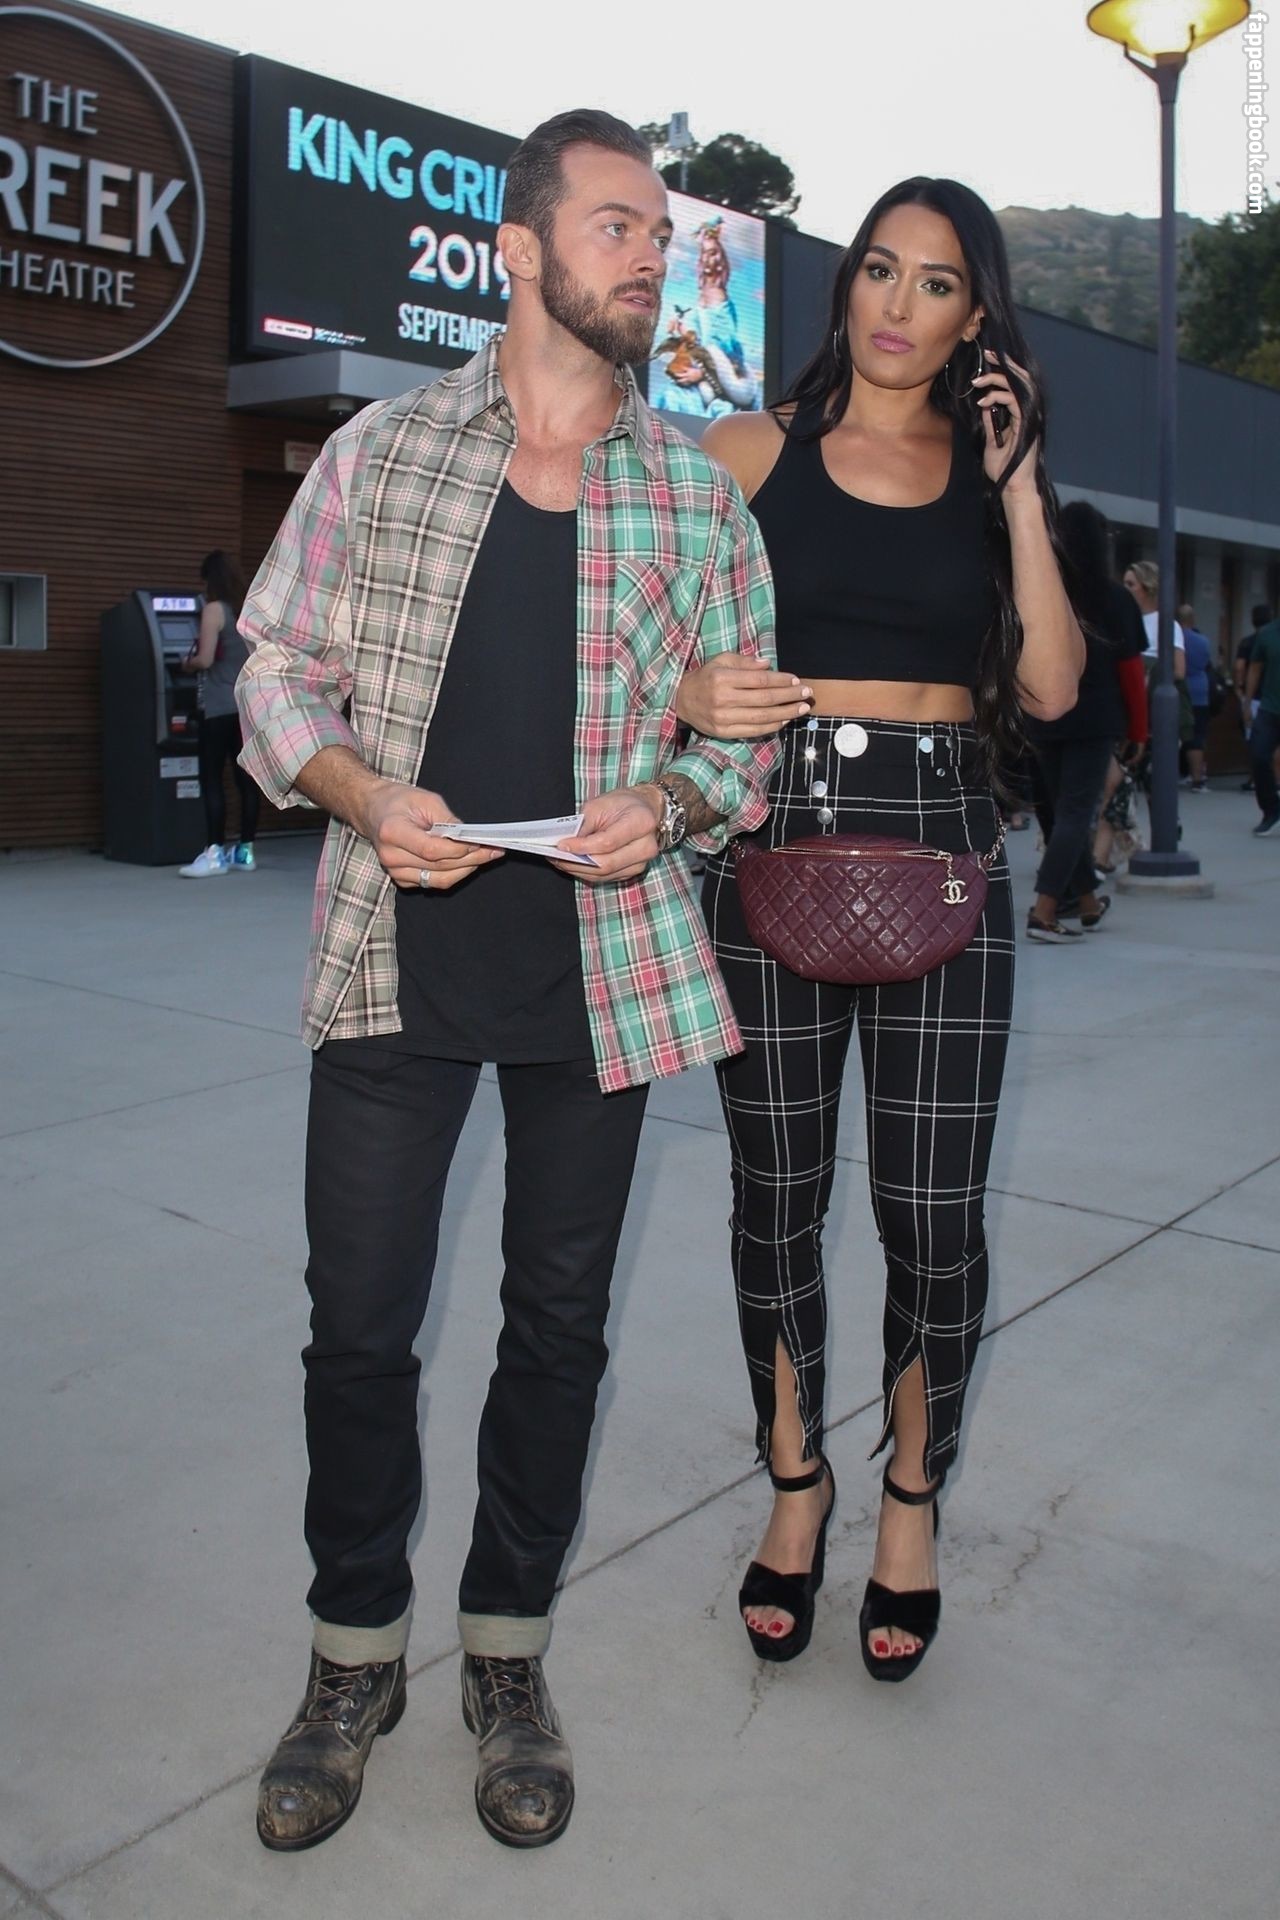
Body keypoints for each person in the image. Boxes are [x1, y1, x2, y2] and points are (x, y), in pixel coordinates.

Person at [235, 110, 778, 1853]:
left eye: (662, 234)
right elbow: (273, 674)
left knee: (556, 1337)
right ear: (521, 249)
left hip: (599, 981)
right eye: (618, 225)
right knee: (358, 1333)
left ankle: (505, 1651)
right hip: (391, 959)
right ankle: (352, 1657)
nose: (652, 257)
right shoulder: (383, 452)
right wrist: (361, 795)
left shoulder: (697, 499)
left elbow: (738, 746)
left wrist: (670, 802)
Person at [676, 177, 1082, 1680]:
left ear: (976, 322)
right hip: (771, 837)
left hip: (947, 847)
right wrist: (681, 692)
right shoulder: (745, 452)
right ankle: (797, 1485)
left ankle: (910, 1497)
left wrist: (1020, 489)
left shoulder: (992, 481)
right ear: (844, 282)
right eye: (879, 270)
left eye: (936, 283)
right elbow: (632, 641)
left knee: (931, 1213)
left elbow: (1050, 688)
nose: (898, 305)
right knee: (774, 1200)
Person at [1023, 501, 1146, 939]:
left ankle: (1089, 902)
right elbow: (1131, 672)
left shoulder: (1042, 592)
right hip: (1095, 717)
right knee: (1075, 814)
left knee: (1063, 814)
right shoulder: (1115, 598)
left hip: (1044, 714)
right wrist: (1139, 730)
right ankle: (1044, 910)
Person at [178, 551, 258, 876]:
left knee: (212, 779)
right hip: (245, 708)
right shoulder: (247, 610)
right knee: (246, 782)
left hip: (217, 708)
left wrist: (186, 664)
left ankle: (214, 854)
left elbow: (206, 659)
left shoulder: (214, 610)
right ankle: (245, 853)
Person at [1244, 611, 1280, 833]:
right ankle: (1271, 809)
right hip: (1269, 708)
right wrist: (1247, 703)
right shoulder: (1267, 634)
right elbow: (1254, 669)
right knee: (1258, 755)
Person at [1176, 602, 1213, 791]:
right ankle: (1197, 778)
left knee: (1175, 733)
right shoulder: (1203, 641)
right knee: (1197, 736)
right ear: (1192, 619)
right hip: (1200, 691)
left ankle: (1179, 773)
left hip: (1180, 691)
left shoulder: (1174, 639)